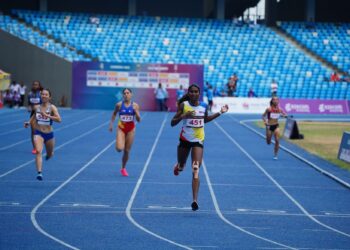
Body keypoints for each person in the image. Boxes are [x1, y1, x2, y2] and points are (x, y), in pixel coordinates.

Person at [171, 84, 229, 211]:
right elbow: (172, 123)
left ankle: (195, 200)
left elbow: (205, 119)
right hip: (185, 140)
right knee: (182, 166)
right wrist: (183, 116)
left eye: (196, 92)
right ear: (188, 93)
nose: (193, 94)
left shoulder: (203, 106)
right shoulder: (184, 105)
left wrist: (220, 112)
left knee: (195, 168)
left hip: (198, 140)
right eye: (191, 92)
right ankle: (179, 166)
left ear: (199, 93)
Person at [24, 89, 62, 180]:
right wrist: (29, 123)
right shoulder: (37, 107)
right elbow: (33, 116)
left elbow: (59, 120)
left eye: (46, 94)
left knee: (49, 154)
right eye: (43, 94)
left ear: (49, 97)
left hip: (49, 134)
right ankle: (39, 173)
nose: (44, 96)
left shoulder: (52, 107)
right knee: (38, 151)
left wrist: (48, 116)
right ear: (41, 96)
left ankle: (49, 154)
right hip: (38, 133)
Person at [109, 88, 141, 177]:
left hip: (131, 129)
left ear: (131, 95)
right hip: (121, 128)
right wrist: (111, 124)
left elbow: (139, 120)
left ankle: (123, 168)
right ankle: (120, 142)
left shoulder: (135, 106)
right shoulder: (119, 105)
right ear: (123, 95)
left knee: (126, 151)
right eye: (124, 93)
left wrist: (137, 114)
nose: (126, 94)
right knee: (119, 149)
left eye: (128, 93)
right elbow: (114, 113)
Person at [27, 81, 43, 154]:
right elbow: (29, 104)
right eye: (34, 85)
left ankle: (40, 144)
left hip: (41, 114)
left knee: (41, 131)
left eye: (36, 85)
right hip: (33, 114)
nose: (35, 86)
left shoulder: (41, 94)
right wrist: (29, 107)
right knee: (33, 131)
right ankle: (34, 148)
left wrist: (39, 108)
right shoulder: (30, 94)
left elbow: (45, 104)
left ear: (39, 86)